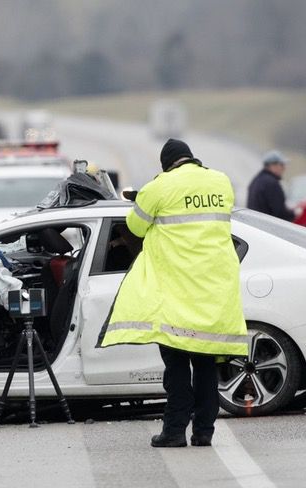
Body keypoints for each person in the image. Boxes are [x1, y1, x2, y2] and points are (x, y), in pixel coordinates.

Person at [96, 138, 247, 448]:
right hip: (213, 289)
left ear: (166, 164)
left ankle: (174, 431)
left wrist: (148, 201)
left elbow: (135, 227)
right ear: (191, 158)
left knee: (176, 369)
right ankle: (204, 432)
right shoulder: (221, 182)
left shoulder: (160, 187)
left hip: (176, 292)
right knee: (205, 366)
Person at [246, 150, 295, 221]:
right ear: (272, 165)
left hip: (255, 224)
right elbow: (280, 213)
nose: (284, 168)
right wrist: (295, 214)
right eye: (281, 164)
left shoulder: (257, 180)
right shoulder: (271, 183)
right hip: (266, 226)